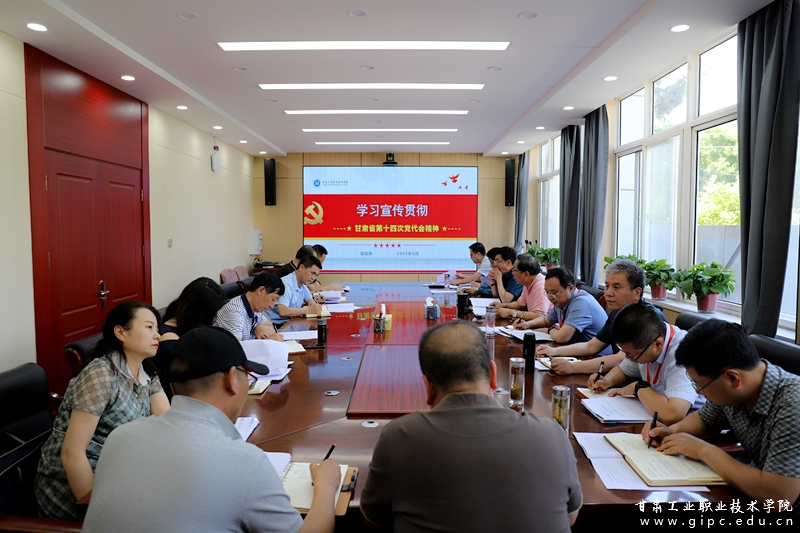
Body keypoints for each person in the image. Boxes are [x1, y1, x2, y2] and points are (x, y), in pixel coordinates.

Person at [82, 326, 342, 532]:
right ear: (232, 380)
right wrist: (326, 485)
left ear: (172, 388)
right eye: (247, 376)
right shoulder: (244, 462)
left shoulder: (120, 438)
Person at [360, 321, 582, 532]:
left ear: (428, 387)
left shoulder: (399, 438)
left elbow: (375, 521)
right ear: (493, 374)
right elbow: (570, 517)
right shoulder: (552, 434)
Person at [35, 301, 170, 520]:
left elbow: (167, 422)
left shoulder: (146, 372)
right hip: (78, 482)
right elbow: (72, 454)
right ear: (120, 332)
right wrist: (97, 515)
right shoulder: (100, 374)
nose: (158, 335)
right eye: (149, 327)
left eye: (157, 328)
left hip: (120, 467)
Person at [643, 319, 800, 506]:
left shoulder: (793, 406)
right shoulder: (734, 392)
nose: (698, 392)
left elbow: (779, 498)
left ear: (732, 378)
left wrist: (703, 450)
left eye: (700, 385)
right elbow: (705, 421)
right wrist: (671, 431)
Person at [543, 259, 666, 374]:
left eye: (616, 287)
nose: (608, 293)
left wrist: (572, 367)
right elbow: (591, 346)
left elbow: (622, 359)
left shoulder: (648, 319)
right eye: (607, 286)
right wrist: (554, 351)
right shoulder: (618, 313)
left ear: (637, 292)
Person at [587, 304, 701, 424]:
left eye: (631, 354)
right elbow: (624, 371)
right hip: (655, 414)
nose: (627, 357)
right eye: (624, 352)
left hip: (693, 426)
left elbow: (673, 414)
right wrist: (607, 380)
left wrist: (638, 387)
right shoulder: (647, 339)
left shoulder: (682, 352)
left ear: (658, 344)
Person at [155, 277, 227, 397]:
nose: (214, 319)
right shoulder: (169, 342)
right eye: (212, 314)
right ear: (198, 313)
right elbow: (189, 382)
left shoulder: (185, 327)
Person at [516, 267, 611, 353]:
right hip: (576, 352)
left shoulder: (582, 303)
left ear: (570, 288)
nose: (549, 297)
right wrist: (527, 324)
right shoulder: (561, 301)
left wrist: (549, 330)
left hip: (596, 358)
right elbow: (546, 320)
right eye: (547, 292)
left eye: (554, 292)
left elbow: (562, 338)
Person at [215, 272, 285, 341]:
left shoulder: (255, 308)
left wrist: (256, 328)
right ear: (261, 290)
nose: (272, 306)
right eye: (273, 299)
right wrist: (269, 341)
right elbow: (235, 347)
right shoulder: (235, 312)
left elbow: (270, 326)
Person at [265, 255, 324, 326]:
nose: (313, 278)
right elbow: (282, 311)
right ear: (301, 267)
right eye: (312, 273)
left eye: (316, 275)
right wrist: (308, 310)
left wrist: (315, 306)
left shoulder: (303, 284)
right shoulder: (286, 283)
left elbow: (311, 302)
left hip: (289, 321)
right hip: (275, 324)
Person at [491, 253, 552, 319]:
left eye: (514, 270)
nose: (512, 273)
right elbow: (520, 304)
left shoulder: (541, 286)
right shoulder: (528, 283)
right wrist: (503, 306)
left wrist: (510, 312)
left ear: (526, 274)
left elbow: (539, 316)